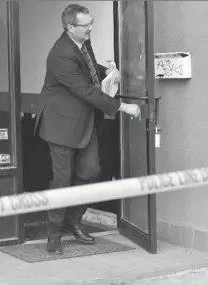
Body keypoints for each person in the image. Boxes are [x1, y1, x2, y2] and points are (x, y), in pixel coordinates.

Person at [33, 4, 141, 254]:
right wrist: (123, 107)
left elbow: (90, 71)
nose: (91, 28)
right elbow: (85, 90)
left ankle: (72, 220)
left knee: (91, 171)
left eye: (91, 23)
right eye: (87, 25)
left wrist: (110, 72)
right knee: (62, 179)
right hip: (60, 126)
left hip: (84, 123)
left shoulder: (82, 43)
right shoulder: (60, 54)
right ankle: (54, 233)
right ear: (70, 27)